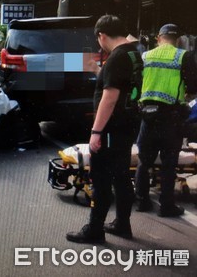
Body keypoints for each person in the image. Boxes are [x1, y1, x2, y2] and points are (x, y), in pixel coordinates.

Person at [66, 15, 142, 243]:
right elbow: (120, 84)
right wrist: (100, 72)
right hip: (127, 126)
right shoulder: (132, 53)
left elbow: (110, 97)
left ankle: (95, 229)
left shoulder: (117, 57)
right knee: (121, 176)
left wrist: (96, 132)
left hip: (110, 129)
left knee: (100, 178)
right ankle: (122, 224)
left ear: (102, 36)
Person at [134, 23, 197, 217]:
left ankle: (142, 202)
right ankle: (166, 206)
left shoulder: (145, 56)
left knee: (144, 162)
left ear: (158, 38)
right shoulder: (183, 56)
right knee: (169, 164)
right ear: (177, 40)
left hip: (147, 115)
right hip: (172, 117)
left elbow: (135, 83)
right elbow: (193, 86)